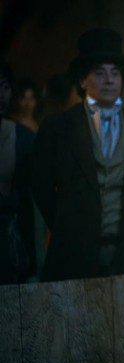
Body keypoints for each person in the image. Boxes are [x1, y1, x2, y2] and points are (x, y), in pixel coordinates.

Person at [31, 28, 124, 282]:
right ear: (83, 81)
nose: (109, 80)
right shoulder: (58, 127)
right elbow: (40, 185)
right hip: (72, 254)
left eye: (115, 73)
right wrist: (66, 225)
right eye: (99, 73)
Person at [1, 59, 36, 284]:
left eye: (5, 87)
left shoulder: (23, 138)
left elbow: (29, 206)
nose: (1, 95)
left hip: (11, 244)